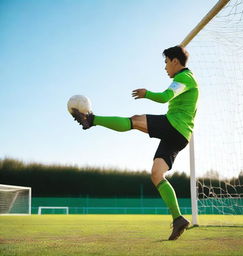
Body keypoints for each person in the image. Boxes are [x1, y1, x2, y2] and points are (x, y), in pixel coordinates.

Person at [71, 45, 199, 240]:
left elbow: (165, 97)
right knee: (157, 174)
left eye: (166, 62)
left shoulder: (185, 78)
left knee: (135, 120)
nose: (165, 67)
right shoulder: (185, 79)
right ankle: (178, 218)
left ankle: (92, 120)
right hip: (179, 135)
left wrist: (146, 93)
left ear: (175, 61)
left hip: (175, 126)